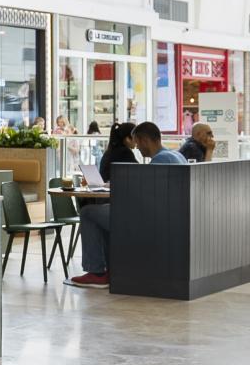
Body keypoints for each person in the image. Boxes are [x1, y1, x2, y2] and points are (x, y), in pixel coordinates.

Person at [72, 121, 183, 289]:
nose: (137, 148)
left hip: (150, 221)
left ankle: (97, 273)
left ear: (145, 140)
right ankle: (112, 270)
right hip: (170, 218)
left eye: (137, 143)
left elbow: (143, 195)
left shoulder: (160, 160)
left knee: (88, 212)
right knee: (102, 214)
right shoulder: (175, 156)